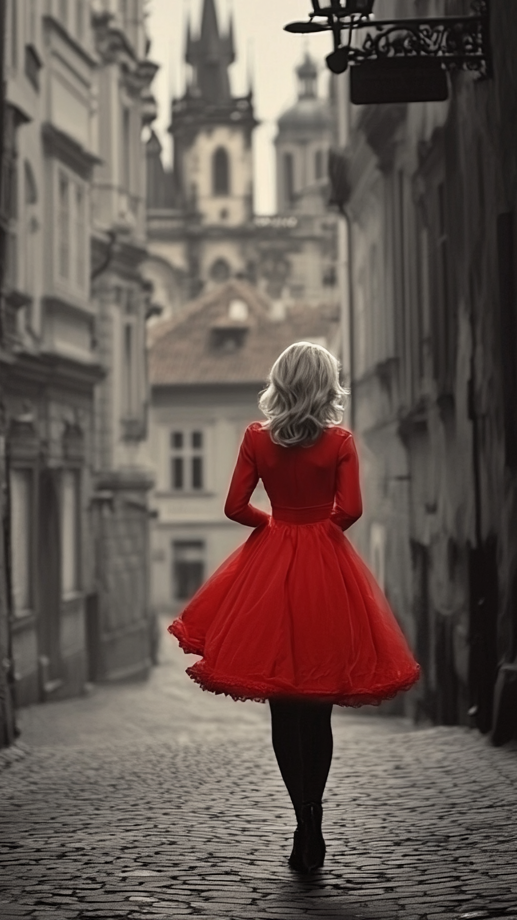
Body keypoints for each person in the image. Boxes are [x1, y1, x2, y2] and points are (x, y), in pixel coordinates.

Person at [168, 341, 421, 874]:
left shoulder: (257, 438)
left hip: (272, 567)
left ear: (280, 382)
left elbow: (235, 506)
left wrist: (276, 529)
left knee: (284, 704)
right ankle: (315, 820)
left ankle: (301, 824)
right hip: (326, 570)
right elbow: (350, 509)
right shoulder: (341, 440)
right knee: (318, 704)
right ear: (326, 386)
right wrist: (317, 536)